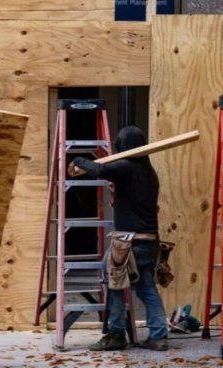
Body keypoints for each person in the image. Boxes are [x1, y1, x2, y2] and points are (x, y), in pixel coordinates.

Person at [68, 125, 168, 352]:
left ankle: (115, 335)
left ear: (123, 146)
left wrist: (80, 160)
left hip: (127, 243)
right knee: (146, 289)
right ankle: (159, 336)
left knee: (113, 285)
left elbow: (99, 171)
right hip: (149, 242)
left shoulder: (127, 167)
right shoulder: (149, 173)